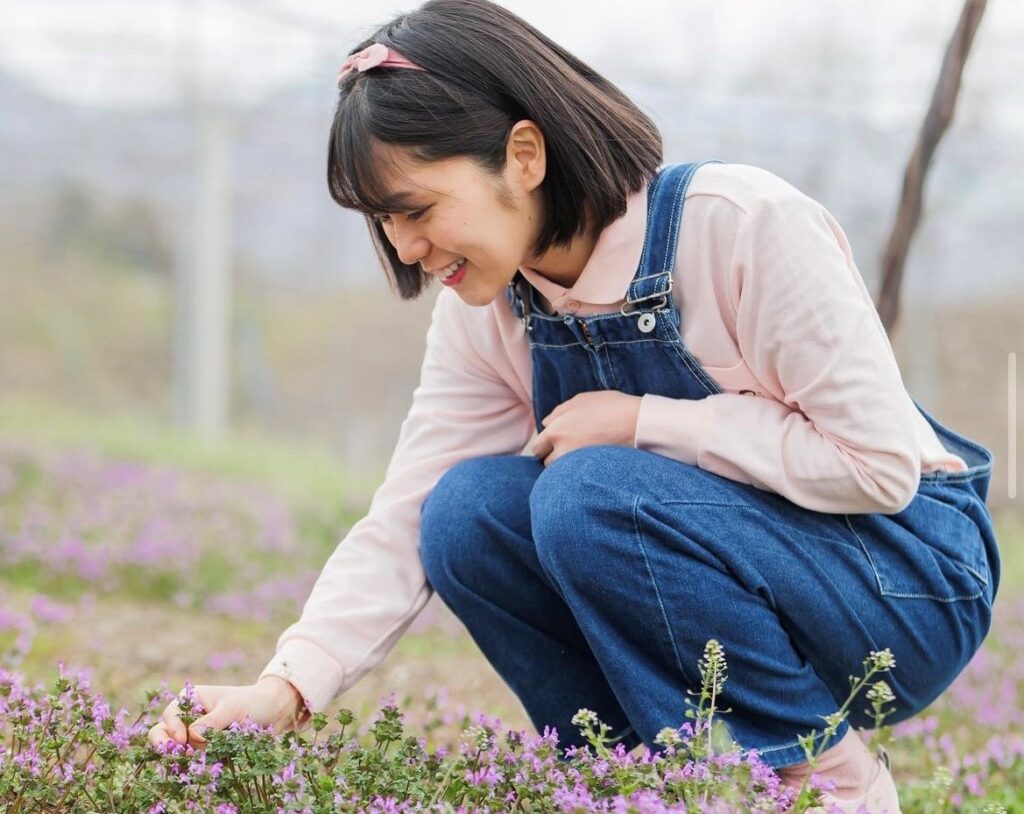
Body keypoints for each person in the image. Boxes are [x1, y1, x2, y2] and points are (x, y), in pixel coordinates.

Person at [148, 1, 1000, 810]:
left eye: (416, 209)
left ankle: (830, 787)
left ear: (524, 154)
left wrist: (646, 423)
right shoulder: (488, 309)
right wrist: (287, 686)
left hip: (903, 583)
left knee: (588, 492)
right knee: (466, 514)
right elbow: (408, 513)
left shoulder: (740, 225)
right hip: (745, 587)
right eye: (382, 222)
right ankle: (639, 786)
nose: (405, 248)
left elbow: (878, 465)